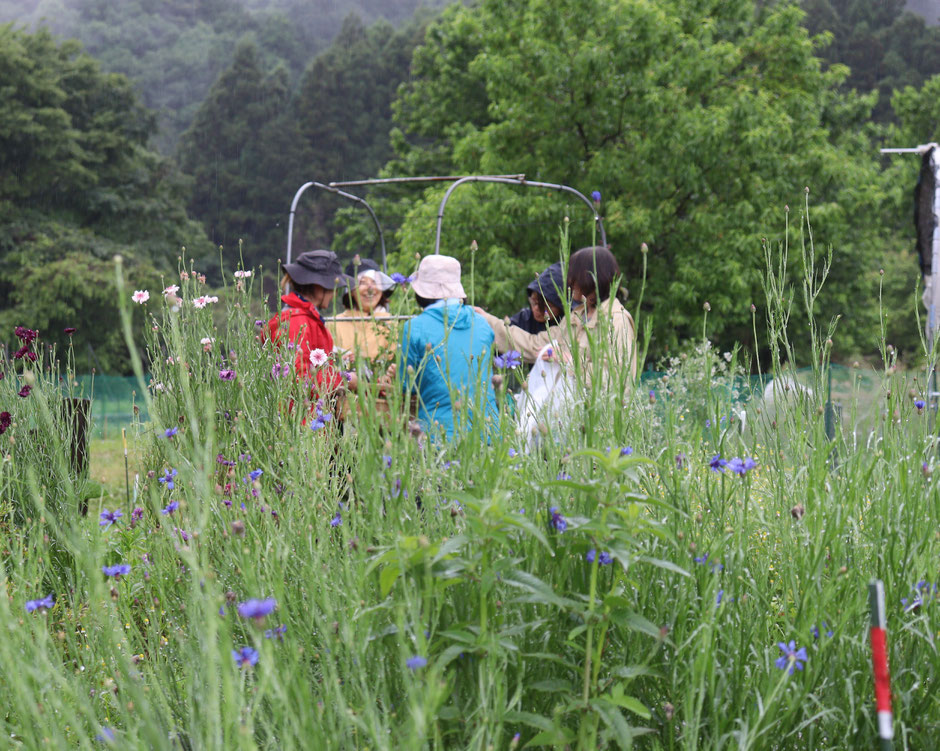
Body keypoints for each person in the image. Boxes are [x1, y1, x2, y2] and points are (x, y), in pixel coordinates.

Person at [475, 246, 637, 392]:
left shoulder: (617, 321)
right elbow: (533, 344)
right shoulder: (576, 316)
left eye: (575, 276)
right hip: (571, 417)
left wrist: (570, 362)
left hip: (602, 421)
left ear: (590, 278)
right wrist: (485, 320)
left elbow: (615, 379)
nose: (570, 282)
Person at [398, 255, 499, 440]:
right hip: (489, 430)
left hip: (440, 435)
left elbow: (406, 386)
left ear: (421, 293)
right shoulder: (482, 324)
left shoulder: (414, 328)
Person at [264, 249, 355, 396]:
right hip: (297, 415)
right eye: (333, 287)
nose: (335, 293)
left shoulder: (304, 318)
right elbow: (299, 379)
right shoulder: (297, 323)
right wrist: (343, 381)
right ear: (319, 286)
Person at [328, 258, 396, 362]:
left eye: (374, 282)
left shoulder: (390, 323)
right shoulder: (334, 324)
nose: (370, 288)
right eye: (362, 282)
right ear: (350, 290)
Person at [508, 261, 565, 336]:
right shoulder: (523, 319)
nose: (536, 309)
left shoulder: (568, 325)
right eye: (533, 302)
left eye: (545, 306)